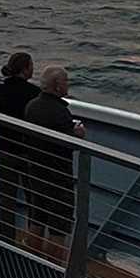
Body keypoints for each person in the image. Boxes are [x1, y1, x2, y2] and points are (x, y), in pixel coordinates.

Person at [21, 65, 86, 261]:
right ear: (57, 86)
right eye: (65, 81)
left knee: (36, 215)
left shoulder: (32, 105)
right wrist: (78, 134)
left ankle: (31, 259)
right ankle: (54, 265)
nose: (68, 84)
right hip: (58, 175)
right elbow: (69, 143)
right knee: (60, 222)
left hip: (35, 170)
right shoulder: (59, 112)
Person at [0, 52, 39, 239]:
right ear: (25, 69)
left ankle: (6, 239)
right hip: (28, 152)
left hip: (4, 149)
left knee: (7, 199)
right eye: (31, 66)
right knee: (33, 199)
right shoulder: (34, 94)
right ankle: (33, 240)